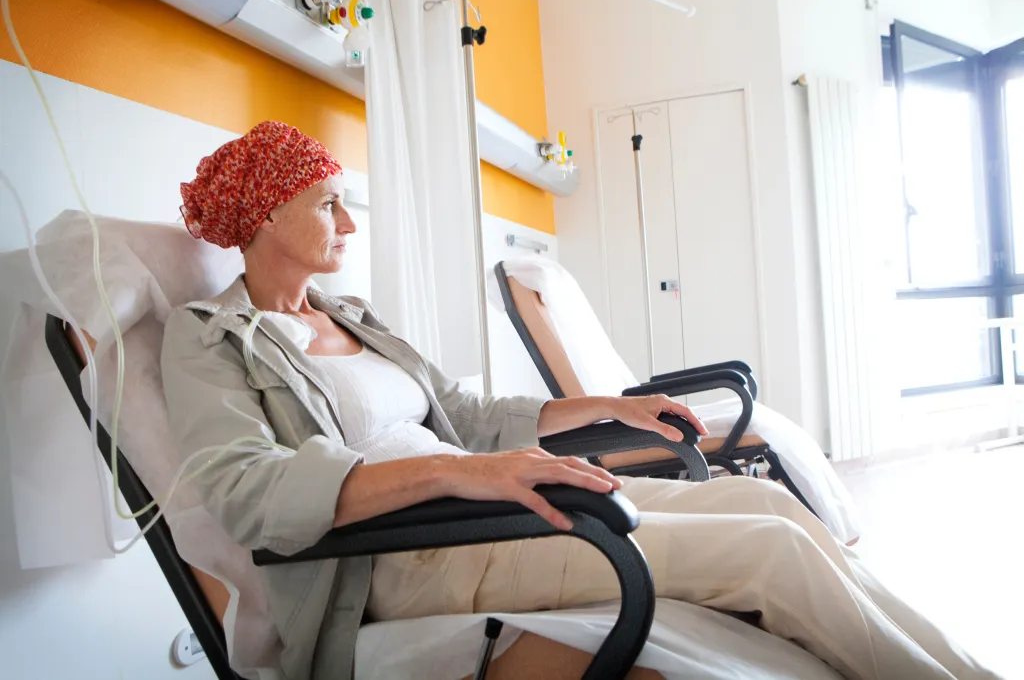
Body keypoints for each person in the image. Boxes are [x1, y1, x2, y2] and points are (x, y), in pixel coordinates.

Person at [161, 121, 1000, 680]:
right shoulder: (206, 337)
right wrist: (461, 478)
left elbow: (470, 413)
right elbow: (249, 490)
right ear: (266, 217)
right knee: (765, 556)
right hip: (407, 555)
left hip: (491, 498)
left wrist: (610, 408)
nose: (348, 221)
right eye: (326, 204)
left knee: (764, 504)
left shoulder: (353, 318)